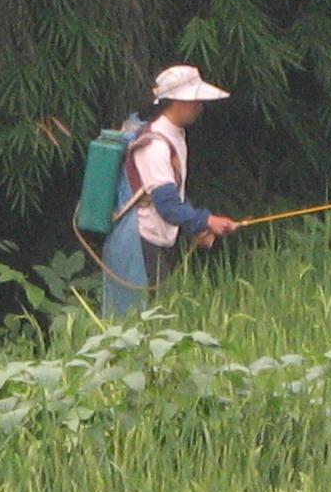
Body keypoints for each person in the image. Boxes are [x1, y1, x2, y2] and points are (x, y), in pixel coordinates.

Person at [101, 65, 239, 316]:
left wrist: (198, 226)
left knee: (159, 317)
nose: (200, 106)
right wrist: (207, 220)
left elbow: (175, 195)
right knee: (144, 320)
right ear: (178, 101)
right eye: (195, 100)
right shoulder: (154, 144)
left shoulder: (176, 135)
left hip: (159, 238)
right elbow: (166, 204)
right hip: (140, 241)